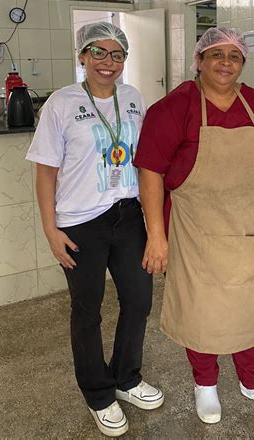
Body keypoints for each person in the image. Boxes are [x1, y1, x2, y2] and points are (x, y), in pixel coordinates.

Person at [134, 27, 254, 424]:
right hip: (196, 232)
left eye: (234, 56)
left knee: (251, 310)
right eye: (216, 55)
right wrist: (156, 235)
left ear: (242, 64)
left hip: (251, 232)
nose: (226, 63)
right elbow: (150, 172)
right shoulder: (175, 108)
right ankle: (205, 386)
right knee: (200, 312)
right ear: (199, 61)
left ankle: (252, 384)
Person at [26, 22, 164, 437]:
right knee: (87, 311)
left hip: (128, 215)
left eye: (117, 54)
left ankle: (126, 377)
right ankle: (98, 393)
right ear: (82, 57)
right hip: (80, 221)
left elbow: (147, 160)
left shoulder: (134, 98)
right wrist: (50, 230)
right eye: (98, 52)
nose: (108, 62)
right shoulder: (61, 103)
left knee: (138, 301)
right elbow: (46, 172)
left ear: (125, 60)